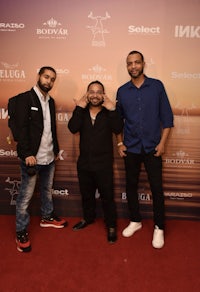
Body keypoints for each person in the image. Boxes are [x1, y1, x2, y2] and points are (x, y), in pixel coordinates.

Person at [116, 51, 174, 248]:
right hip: (131, 147)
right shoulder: (122, 91)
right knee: (130, 186)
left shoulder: (156, 86)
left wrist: (163, 143)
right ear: (127, 66)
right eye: (130, 63)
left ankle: (159, 227)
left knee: (156, 188)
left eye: (137, 62)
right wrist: (120, 143)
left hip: (152, 147)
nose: (133, 66)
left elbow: (167, 119)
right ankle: (135, 221)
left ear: (143, 64)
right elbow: (118, 122)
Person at [14, 66, 67, 252]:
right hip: (32, 158)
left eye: (52, 79)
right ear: (38, 76)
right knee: (25, 196)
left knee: (46, 190)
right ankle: (20, 231)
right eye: (46, 77)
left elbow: (49, 129)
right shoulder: (26, 99)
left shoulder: (50, 101)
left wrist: (55, 151)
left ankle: (47, 217)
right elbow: (19, 129)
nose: (49, 82)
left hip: (49, 156)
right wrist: (27, 153)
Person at [68, 80, 123, 243]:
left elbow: (118, 128)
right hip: (84, 163)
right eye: (91, 92)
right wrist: (78, 107)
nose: (95, 95)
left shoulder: (109, 112)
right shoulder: (82, 112)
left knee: (107, 197)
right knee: (86, 195)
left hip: (103, 164)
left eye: (99, 92)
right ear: (87, 95)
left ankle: (111, 225)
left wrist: (112, 109)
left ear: (103, 95)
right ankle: (88, 218)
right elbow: (72, 128)